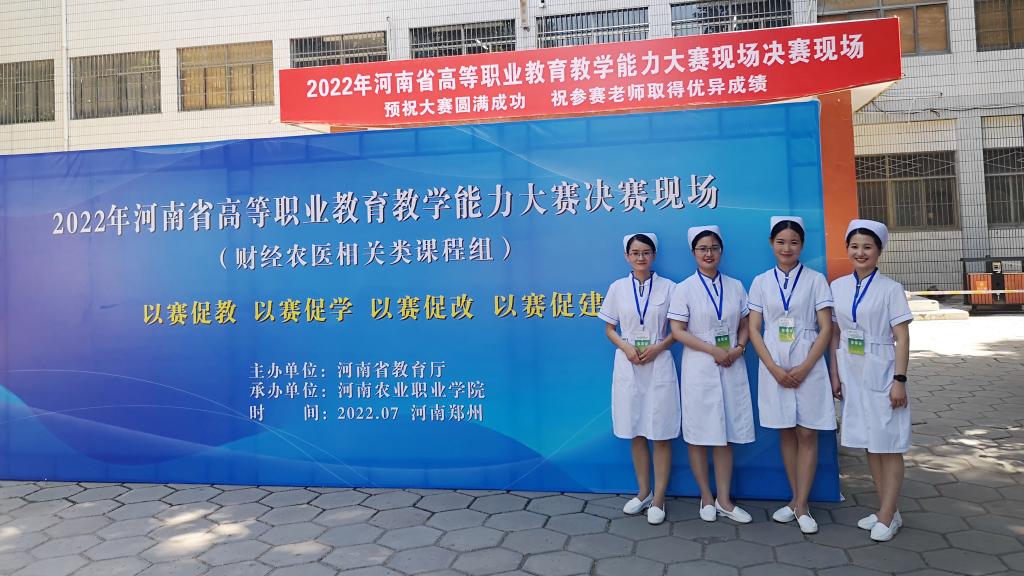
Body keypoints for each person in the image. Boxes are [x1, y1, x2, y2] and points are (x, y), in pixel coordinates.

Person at [747, 216, 835, 534]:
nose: (787, 248)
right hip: (774, 365)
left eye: (794, 242)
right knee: (786, 431)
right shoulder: (760, 282)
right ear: (772, 244)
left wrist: (807, 365)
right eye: (781, 242)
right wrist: (772, 367)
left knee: (807, 432)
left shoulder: (815, 280)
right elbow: (754, 329)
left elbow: (826, 327)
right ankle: (796, 500)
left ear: (802, 245)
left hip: (807, 362)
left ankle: (802, 504)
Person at [829, 219, 913, 542]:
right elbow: (835, 333)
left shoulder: (891, 289)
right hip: (852, 371)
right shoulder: (838, 287)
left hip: (882, 369)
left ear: (879, 251)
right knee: (870, 442)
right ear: (847, 249)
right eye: (854, 246)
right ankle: (885, 510)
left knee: (888, 444)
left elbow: (902, 338)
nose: (860, 252)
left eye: (867, 247)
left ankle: (889, 515)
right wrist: (836, 374)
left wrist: (899, 380)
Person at [668, 225, 753, 524]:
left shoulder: (735, 286)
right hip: (700, 365)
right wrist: (712, 350)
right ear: (693, 252)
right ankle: (706, 496)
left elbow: (746, 323)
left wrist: (739, 348)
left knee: (725, 434)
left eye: (714, 248)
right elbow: (677, 331)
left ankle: (724, 500)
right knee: (698, 434)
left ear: (721, 251)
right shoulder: (684, 288)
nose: (709, 253)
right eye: (703, 248)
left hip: (731, 362)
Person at [598, 233, 680, 525]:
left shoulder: (670, 287)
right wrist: (627, 347)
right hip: (629, 361)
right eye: (635, 253)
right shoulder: (617, 288)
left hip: (659, 361)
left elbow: (678, 329)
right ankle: (644, 492)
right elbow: (609, 328)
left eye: (646, 252)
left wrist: (659, 347)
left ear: (654, 255)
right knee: (636, 430)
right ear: (627, 256)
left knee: (660, 431)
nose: (640, 257)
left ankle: (659, 498)